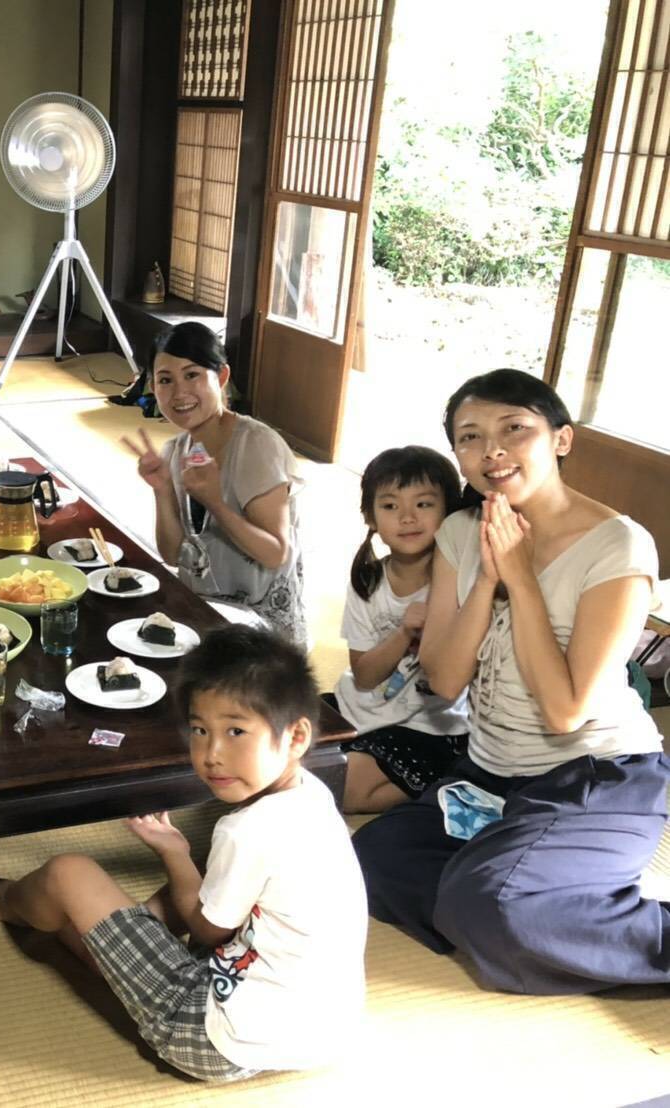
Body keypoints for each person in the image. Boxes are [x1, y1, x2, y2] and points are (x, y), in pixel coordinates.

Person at [352, 369, 667, 995]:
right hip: (492, 772)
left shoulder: (618, 547)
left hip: (598, 774)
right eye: (470, 437)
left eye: (514, 428)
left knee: (496, 904)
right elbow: (445, 680)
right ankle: (531, 896)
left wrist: (520, 577)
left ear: (561, 439)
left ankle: (540, 902)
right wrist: (488, 578)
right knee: (375, 860)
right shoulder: (461, 532)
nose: (491, 450)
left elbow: (565, 712)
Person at [0, 626, 366, 1083]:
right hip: (319, 1031)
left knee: (68, 873)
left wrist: (175, 851)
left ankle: (1, 899)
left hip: (214, 1038)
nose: (212, 754)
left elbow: (205, 929)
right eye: (200, 730)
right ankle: (117, 932)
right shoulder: (312, 795)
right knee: (205, 880)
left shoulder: (247, 831)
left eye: (236, 731)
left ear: (296, 736)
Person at [121, 323, 308, 645]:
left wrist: (216, 503)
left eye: (192, 375)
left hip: (262, 635)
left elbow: (276, 553)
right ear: (153, 386)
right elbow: (172, 554)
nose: (179, 393)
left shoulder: (256, 445)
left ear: (221, 377)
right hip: (203, 616)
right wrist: (162, 489)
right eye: (166, 380)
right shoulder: (175, 450)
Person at [333, 446, 471, 813]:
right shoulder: (368, 581)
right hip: (364, 705)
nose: (407, 517)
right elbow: (364, 676)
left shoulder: (463, 584)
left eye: (423, 504)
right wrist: (404, 632)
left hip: (431, 724)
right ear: (370, 516)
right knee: (280, 744)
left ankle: (451, 774)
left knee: (343, 791)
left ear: (450, 513)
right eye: (391, 506)